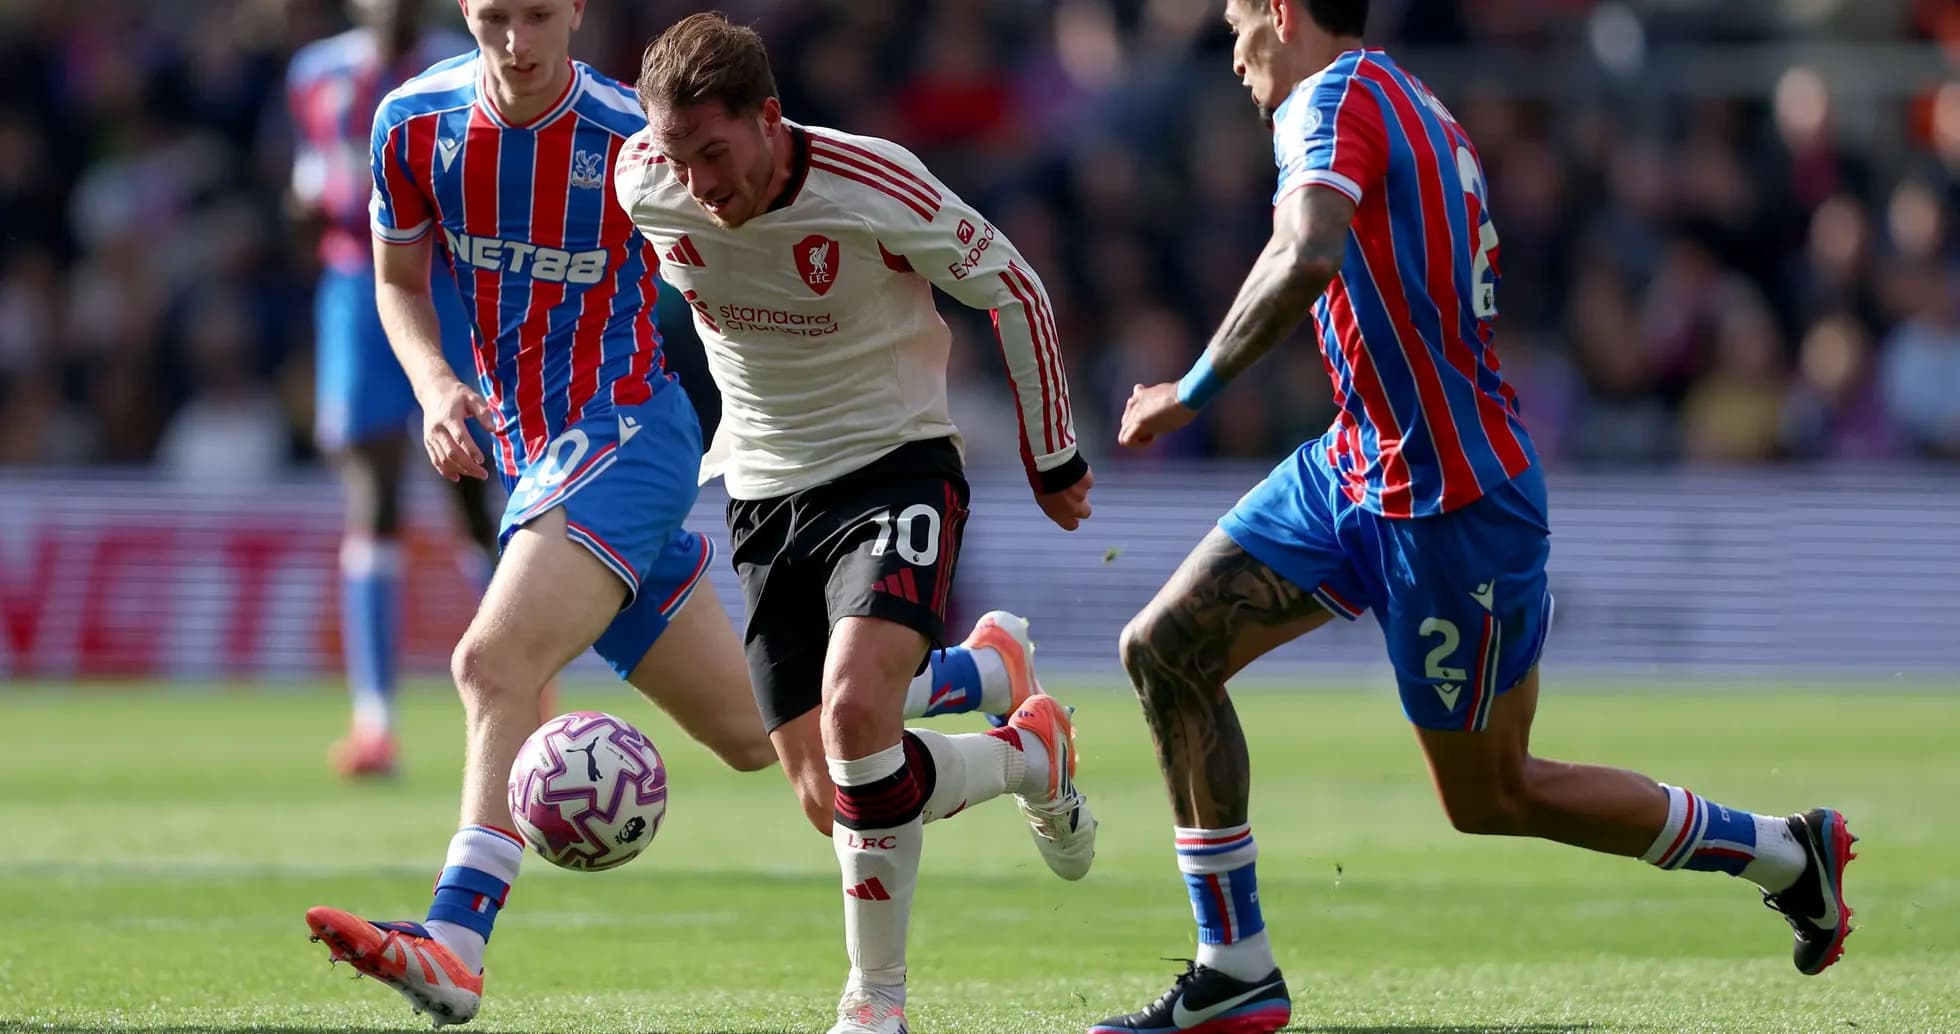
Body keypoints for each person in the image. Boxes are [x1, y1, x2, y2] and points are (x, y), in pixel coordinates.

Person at [1092, 3, 1857, 1032]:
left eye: (1237, 22)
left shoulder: (1332, 99)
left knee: (1491, 794)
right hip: (1356, 465)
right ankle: (1233, 965)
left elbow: (1308, 251)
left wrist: (1189, 388)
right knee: (1164, 650)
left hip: (1452, 504)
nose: (1231, 54)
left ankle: (1782, 849)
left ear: (1282, 11)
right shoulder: (1408, 102)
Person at [302, 3, 1061, 1027]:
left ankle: (455, 935)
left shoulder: (636, 134)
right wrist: (435, 384)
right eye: (492, 19)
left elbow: (770, 220)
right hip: (532, 462)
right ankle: (985, 685)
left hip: (627, 435)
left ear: (575, 9)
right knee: (772, 748)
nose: (517, 44)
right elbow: (396, 277)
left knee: (490, 663)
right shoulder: (410, 124)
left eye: (536, 15)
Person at [617, 14, 1100, 1034]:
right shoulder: (640, 179)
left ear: (769, 119)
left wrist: (1051, 450)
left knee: (853, 717)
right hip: (758, 489)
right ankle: (1023, 747)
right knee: (833, 794)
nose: (698, 183)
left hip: (894, 466)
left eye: (715, 153)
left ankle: (874, 1002)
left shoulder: (871, 181)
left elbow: (1012, 286)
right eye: (678, 157)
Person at [286, 0, 554, 779]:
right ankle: (374, 721)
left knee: (479, 492)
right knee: (372, 491)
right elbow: (312, 173)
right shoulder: (316, 74)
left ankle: (525, 680)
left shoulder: (462, 64)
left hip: (453, 284)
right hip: (357, 289)